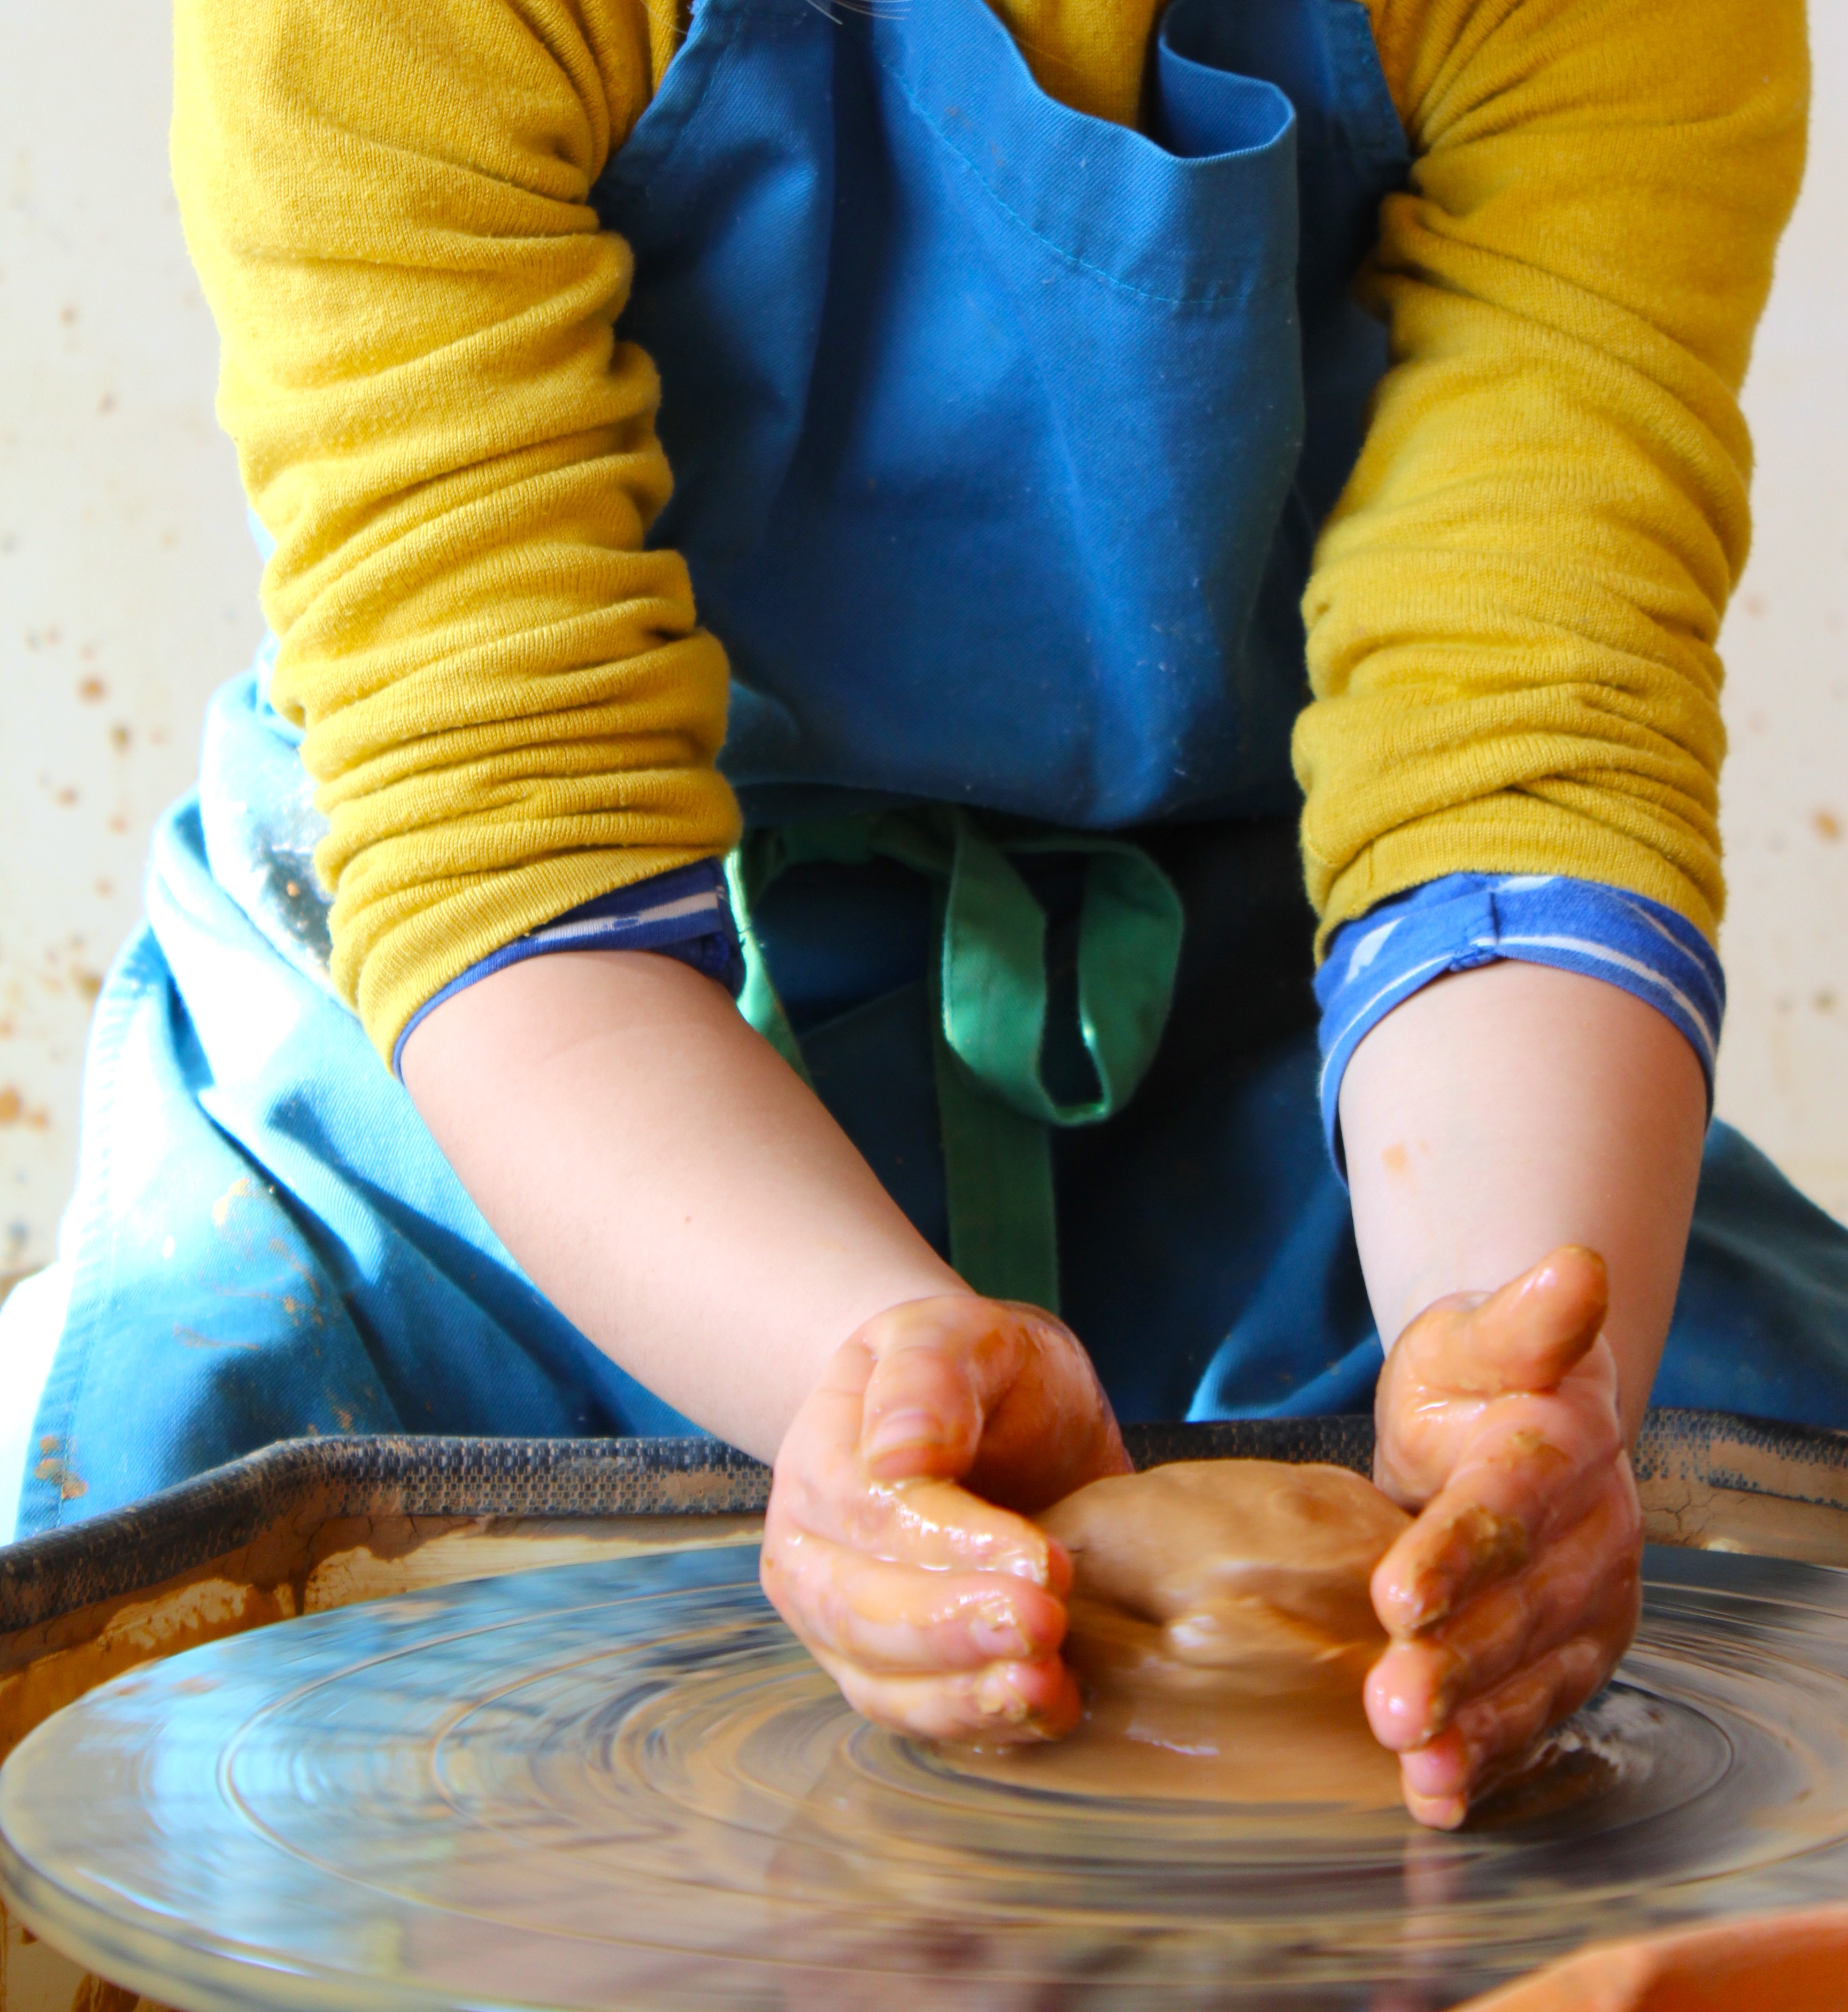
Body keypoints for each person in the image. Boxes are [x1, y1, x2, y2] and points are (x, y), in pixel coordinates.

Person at [1, 0, 1838, 1830]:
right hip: (515, 1024)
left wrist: (1511, 1373)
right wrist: (864, 1378)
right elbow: (506, 819)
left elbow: (1512, 747)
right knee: (161, 1647)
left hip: (1292, 1004)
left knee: (1742, 1508)